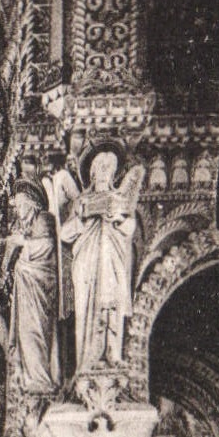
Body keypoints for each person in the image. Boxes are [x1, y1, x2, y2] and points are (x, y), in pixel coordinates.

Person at [60, 145, 143, 373]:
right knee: (89, 307)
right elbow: (64, 233)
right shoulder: (81, 202)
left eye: (110, 167)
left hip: (114, 261)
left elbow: (130, 227)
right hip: (88, 263)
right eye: (102, 166)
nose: (106, 171)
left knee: (112, 305)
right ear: (93, 171)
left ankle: (112, 354)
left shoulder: (119, 199)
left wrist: (118, 218)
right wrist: (83, 219)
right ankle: (88, 357)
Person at [3, 180, 59, 394]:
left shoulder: (43, 219)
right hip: (28, 290)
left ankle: (40, 379)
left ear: (31, 203)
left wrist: (23, 245)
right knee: (27, 333)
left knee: (34, 331)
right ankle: (34, 378)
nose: (17, 210)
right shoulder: (27, 226)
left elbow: (49, 246)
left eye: (19, 205)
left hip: (40, 287)